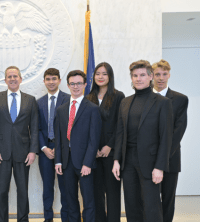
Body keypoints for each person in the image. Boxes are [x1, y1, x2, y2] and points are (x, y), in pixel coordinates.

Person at [112, 60, 173, 222]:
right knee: (132, 206)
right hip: (128, 162)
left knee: (152, 206)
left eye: (142, 75)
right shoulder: (125, 102)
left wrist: (160, 167)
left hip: (151, 163)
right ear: (131, 78)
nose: (138, 79)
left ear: (150, 76)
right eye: (135, 75)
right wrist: (117, 160)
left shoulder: (163, 103)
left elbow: (166, 138)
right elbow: (120, 133)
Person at [0, 66, 39, 222]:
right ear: (5, 80)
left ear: (20, 79)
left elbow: (35, 128)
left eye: (15, 76)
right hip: (1, 153)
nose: (12, 79)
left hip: (23, 152)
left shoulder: (30, 100)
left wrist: (32, 151)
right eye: (9, 76)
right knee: (2, 191)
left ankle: (23, 219)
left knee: (23, 191)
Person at [55, 70, 102, 222]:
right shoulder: (61, 109)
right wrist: (58, 161)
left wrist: (88, 163)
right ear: (68, 85)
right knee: (70, 200)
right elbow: (59, 138)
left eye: (79, 83)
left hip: (84, 163)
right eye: (72, 84)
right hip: (66, 162)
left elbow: (94, 139)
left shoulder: (93, 108)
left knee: (88, 200)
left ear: (85, 84)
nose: (76, 87)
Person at [85, 62, 124, 222]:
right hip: (93, 153)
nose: (100, 77)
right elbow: (86, 127)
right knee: (96, 192)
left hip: (112, 152)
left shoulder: (118, 96)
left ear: (110, 76)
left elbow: (120, 125)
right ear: (93, 77)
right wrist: (93, 148)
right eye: (97, 74)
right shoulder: (88, 98)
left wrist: (109, 145)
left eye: (104, 74)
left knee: (113, 192)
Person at [152, 59, 188, 222]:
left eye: (164, 74)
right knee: (150, 198)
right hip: (148, 157)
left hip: (170, 158)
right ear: (151, 76)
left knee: (167, 198)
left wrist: (163, 158)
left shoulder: (180, 99)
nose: (161, 78)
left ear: (169, 75)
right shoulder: (146, 98)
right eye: (157, 74)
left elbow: (178, 131)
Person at [37, 68, 70, 222]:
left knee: (65, 187)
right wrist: (44, 148)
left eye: (54, 79)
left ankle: (66, 218)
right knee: (48, 187)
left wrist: (60, 146)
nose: (51, 82)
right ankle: (48, 218)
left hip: (64, 150)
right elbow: (36, 128)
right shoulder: (38, 103)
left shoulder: (69, 99)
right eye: (48, 79)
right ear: (44, 81)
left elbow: (71, 126)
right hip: (45, 151)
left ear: (59, 80)